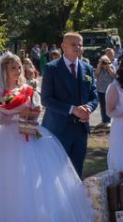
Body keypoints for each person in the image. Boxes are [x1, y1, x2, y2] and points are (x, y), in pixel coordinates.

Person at [0, 53, 92, 222]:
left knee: (34, 178)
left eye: (19, 67)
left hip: (29, 133)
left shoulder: (27, 89)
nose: (17, 71)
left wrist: (32, 114)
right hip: (8, 137)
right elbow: (0, 119)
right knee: (10, 181)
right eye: (13, 68)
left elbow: (35, 115)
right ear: (5, 71)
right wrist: (18, 111)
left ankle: (38, 218)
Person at [40, 32, 98, 177]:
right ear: (63, 46)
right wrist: (73, 110)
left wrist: (88, 108)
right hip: (58, 128)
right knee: (55, 173)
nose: (78, 47)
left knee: (76, 172)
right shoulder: (51, 68)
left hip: (80, 130)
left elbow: (94, 96)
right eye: (73, 44)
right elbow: (46, 99)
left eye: (80, 44)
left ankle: (74, 199)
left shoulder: (88, 69)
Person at [95, 55, 117, 125]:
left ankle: (109, 120)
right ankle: (104, 120)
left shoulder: (111, 67)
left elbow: (114, 76)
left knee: (108, 105)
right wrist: (99, 66)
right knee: (102, 105)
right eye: (103, 62)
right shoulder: (99, 68)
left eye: (105, 62)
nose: (104, 64)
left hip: (109, 90)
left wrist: (108, 68)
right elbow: (95, 75)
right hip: (100, 90)